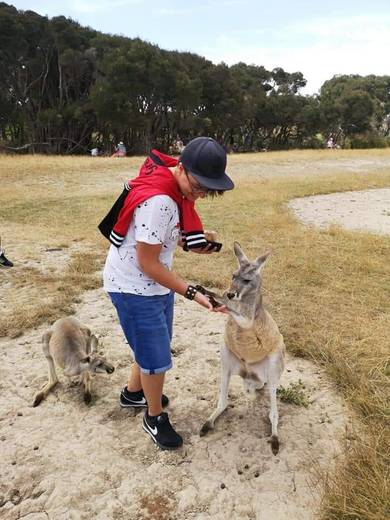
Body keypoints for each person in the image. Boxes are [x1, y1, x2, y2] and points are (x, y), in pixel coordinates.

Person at [101, 136, 234, 450]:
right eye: (198, 187)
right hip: (134, 286)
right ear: (183, 169)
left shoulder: (171, 185)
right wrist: (194, 293)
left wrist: (193, 242)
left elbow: (160, 238)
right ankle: (153, 416)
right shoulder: (161, 201)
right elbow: (148, 263)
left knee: (151, 345)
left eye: (207, 191)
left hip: (151, 284)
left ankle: (134, 394)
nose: (199, 195)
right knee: (156, 356)